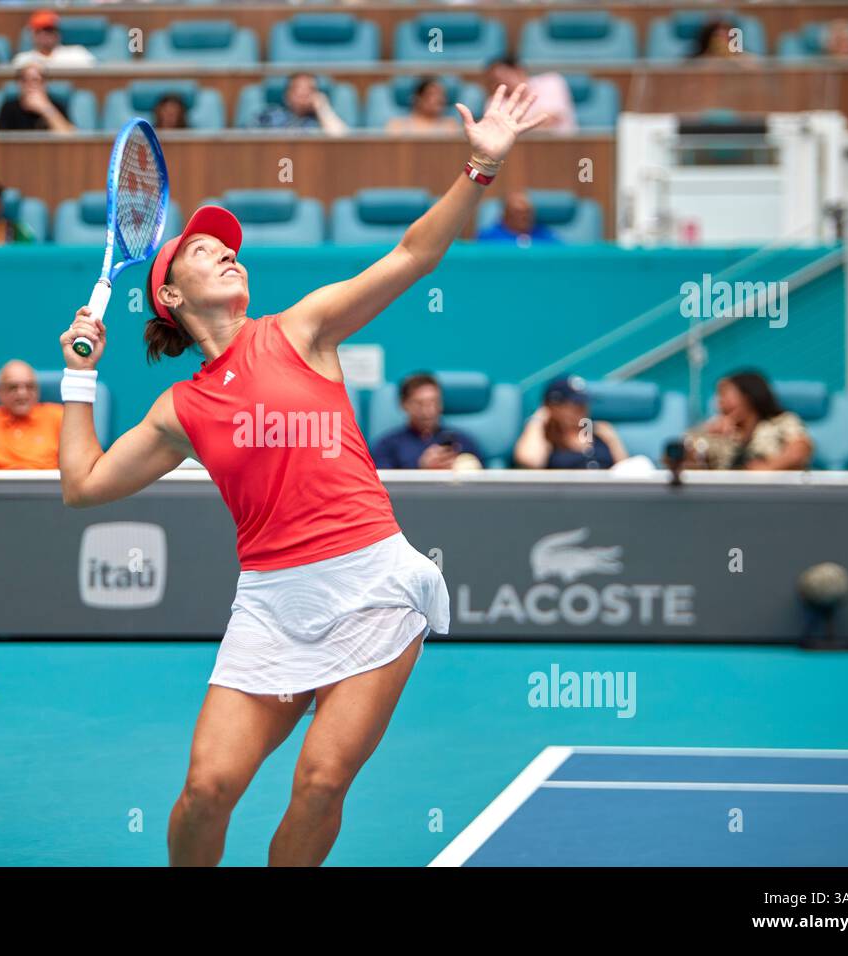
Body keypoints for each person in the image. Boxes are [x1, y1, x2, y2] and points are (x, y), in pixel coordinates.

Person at [56, 82, 547, 866]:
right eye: (203, 249)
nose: (227, 251)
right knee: (206, 790)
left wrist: (479, 168)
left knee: (320, 782)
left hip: (373, 582)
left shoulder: (302, 329)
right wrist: (78, 378)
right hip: (272, 603)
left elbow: (413, 254)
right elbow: (82, 485)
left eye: (230, 247)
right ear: (170, 294)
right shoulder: (179, 409)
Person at [683, 370, 814, 470]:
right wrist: (704, 432)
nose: (719, 402)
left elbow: (800, 451)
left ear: (747, 397)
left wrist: (768, 468)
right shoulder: (719, 433)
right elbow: (687, 461)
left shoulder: (781, 422)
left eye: (724, 395)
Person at [370, 373, 484, 469]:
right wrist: (421, 468)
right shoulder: (387, 446)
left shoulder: (464, 442)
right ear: (403, 404)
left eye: (434, 402)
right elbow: (383, 482)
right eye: (419, 404)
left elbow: (484, 480)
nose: (428, 411)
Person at [513, 375, 628, 470]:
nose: (582, 409)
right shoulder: (546, 437)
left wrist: (612, 440)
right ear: (554, 406)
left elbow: (626, 470)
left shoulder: (601, 432)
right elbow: (530, 461)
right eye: (575, 404)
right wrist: (538, 419)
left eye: (584, 403)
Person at [485, 57, 575, 133]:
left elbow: (549, 120)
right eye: (496, 80)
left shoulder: (551, 82)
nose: (503, 82)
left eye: (505, 76)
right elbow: (500, 132)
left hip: (565, 145)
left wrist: (515, 126)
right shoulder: (495, 102)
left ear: (519, 70)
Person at [251, 72, 348, 135]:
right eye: (297, 88)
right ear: (286, 95)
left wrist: (322, 108)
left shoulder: (321, 121)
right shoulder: (270, 114)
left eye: (310, 89)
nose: (303, 93)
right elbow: (248, 141)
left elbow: (342, 140)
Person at [0, 62, 74, 132]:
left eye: (35, 80)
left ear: (44, 84)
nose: (30, 85)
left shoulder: (56, 105)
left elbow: (69, 137)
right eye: (25, 80)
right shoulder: (8, 107)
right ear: (19, 84)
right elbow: (1, 140)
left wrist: (45, 109)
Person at [11, 10, 96, 70]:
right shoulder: (22, 60)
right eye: (39, 31)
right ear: (32, 35)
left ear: (57, 33)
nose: (44, 35)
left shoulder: (78, 54)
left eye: (49, 30)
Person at [476, 191, 560, 246]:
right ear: (506, 215)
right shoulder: (488, 237)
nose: (525, 217)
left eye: (528, 212)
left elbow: (562, 254)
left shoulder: (544, 234)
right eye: (518, 212)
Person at [385, 77, 459, 133]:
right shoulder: (397, 126)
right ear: (417, 98)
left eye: (442, 95)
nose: (439, 99)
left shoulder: (451, 126)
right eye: (432, 94)